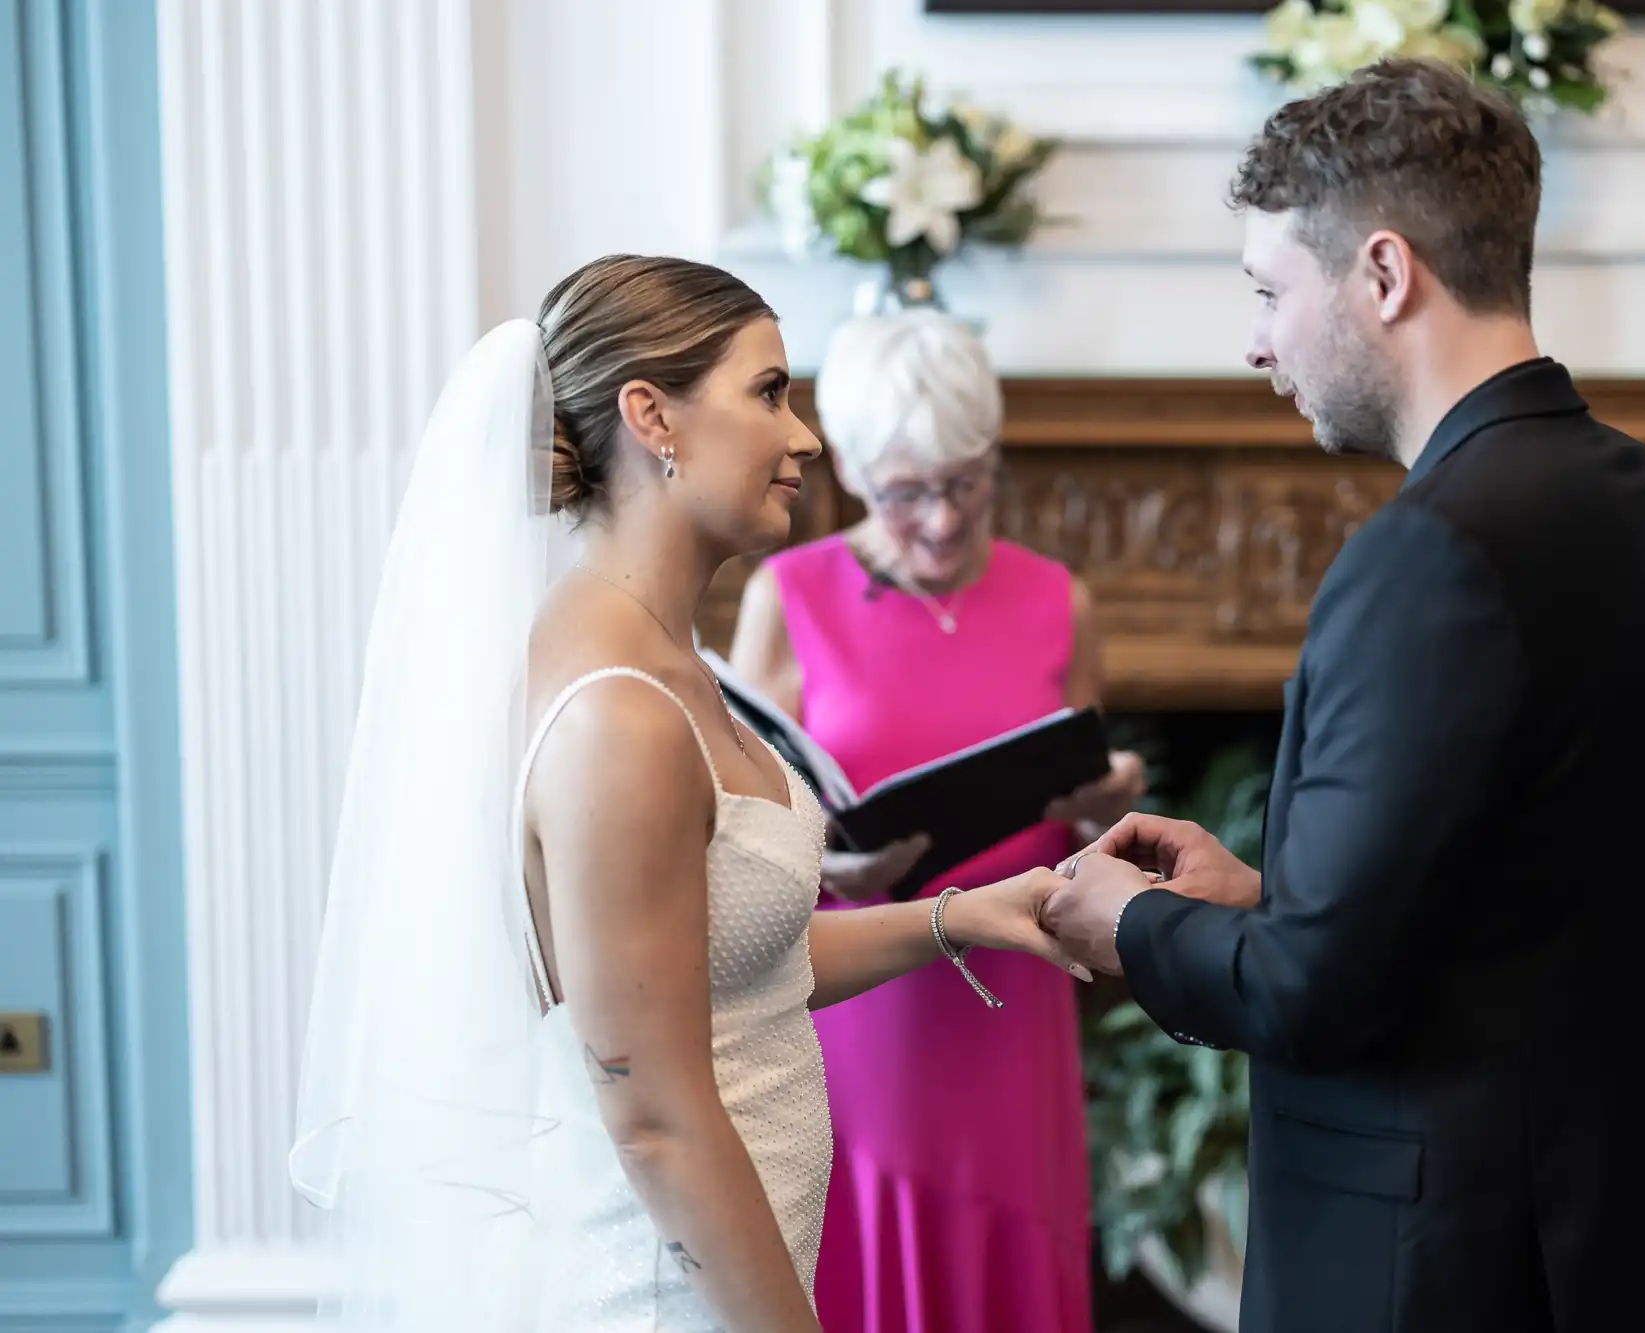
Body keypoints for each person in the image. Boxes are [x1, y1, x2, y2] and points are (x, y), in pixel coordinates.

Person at [1043, 58, 1645, 1333]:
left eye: (1268, 292)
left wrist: (1127, 925)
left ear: (1381, 272)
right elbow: (1522, 910)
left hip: (1442, 1267)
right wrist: (1267, 897)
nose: (1254, 342)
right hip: (1615, 1244)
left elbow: (1309, 994)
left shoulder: (1426, 552)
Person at [289, 256, 1086, 1333]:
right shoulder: (618, 714)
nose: (804, 438)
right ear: (651, 418)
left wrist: (957, 917)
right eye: (768, 392)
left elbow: (731, 973)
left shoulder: (672, 662)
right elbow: (654, 1115)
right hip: (665, 1297)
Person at [729, 310, 1146, 1333]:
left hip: (1017, 1008)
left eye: (967, 480)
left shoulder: (1057, 598)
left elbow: (1085, 821)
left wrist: (1107, 801)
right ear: (855, 473)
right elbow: (733, 831)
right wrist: (836, 857)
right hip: (863, 1006)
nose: (944, 519)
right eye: (907, 492)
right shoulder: (789, 595)